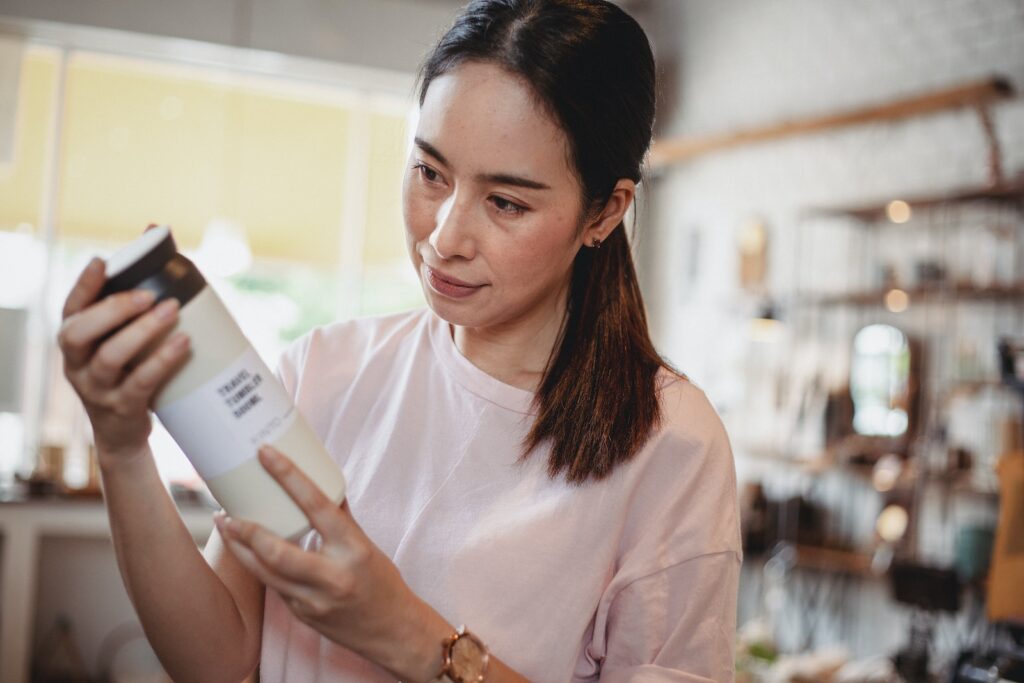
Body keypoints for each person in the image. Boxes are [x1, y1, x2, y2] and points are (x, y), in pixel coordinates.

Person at [57, 0, 741, 680]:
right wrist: (121, 449)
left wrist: (407, 633)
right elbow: (217, 661)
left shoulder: (669, 443)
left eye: (505, 202)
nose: (443, 237)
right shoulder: (325, 368)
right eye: (430, 173)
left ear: (605, 211)